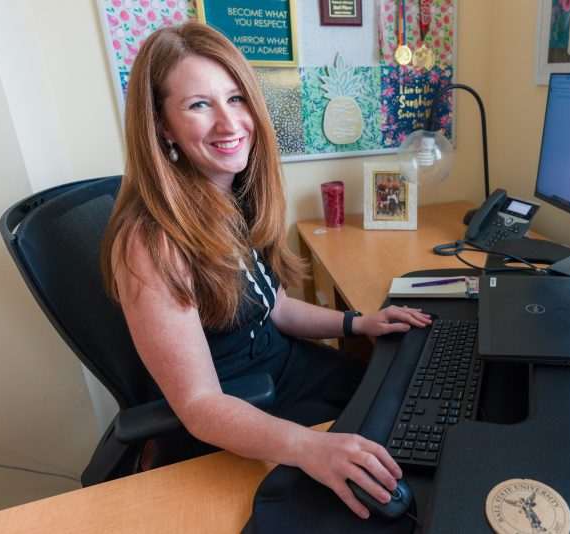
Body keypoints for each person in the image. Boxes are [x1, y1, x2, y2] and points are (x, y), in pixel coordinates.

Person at [100, 22, 431, 519]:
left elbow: (271, 305)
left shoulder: (225, 196)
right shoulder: (151, 241)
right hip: (237, 411)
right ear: (162, 125)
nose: (229, 123)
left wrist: (356, 323)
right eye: (198, 104)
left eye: (236, 98)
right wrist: (309, 448)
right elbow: (197, 401)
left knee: (405, 405)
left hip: (287, 370)